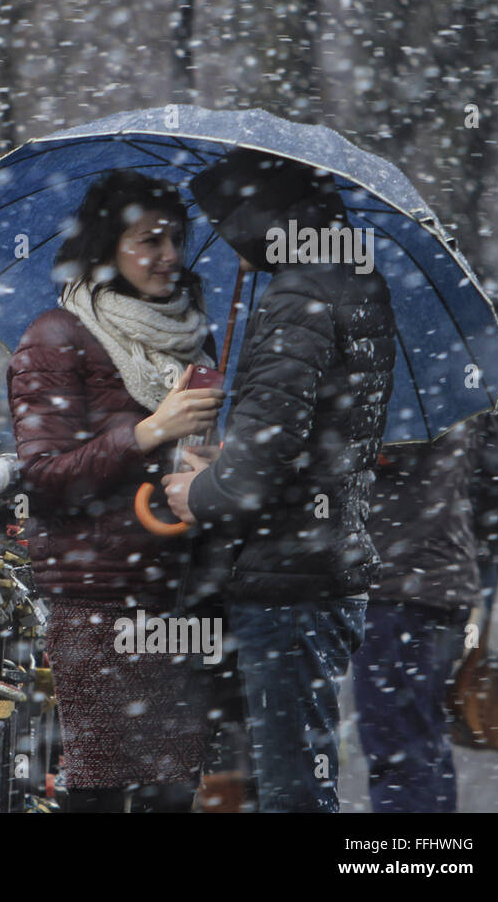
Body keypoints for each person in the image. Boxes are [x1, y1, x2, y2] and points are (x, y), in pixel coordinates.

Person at [162, 149, 396, 812]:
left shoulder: (300, 296)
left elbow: (256, 475)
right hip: (326, 565)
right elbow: (315, 438)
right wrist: (231, 459)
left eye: (232, 224)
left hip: (290, 580)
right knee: (298, 777)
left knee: (291, 790)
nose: (233, 246)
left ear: (261, 219)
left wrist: (197, 490)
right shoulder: (355, 278)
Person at [6, 170, 223, 813]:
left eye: (177, 239)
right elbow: (43, 478)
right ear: (106, 249)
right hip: (95, 599)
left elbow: (181, 463)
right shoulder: (56, 336)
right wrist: (149, 431)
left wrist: (205, 463)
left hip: (178, 592)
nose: (168, 256)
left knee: (173, 789)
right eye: (149, 240)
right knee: (99, 790)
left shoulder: (194, 337)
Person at [351, 426, 481, 811]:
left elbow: (370, 454)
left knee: (399, 748)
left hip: (401, 584)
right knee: (422, 738)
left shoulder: (394, 390)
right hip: (439, 576)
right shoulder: (447, 385)